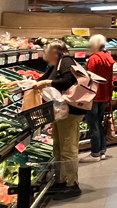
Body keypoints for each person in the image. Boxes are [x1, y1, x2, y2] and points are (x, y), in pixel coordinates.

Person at [34, 40, 85, 199]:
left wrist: (47, 82)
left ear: (55, 52)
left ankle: (72, 184)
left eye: (46, 52)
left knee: (68, 147)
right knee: (59, 145)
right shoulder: (58, 64)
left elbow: (68, 81)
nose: (45, 56)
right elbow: (42, 78)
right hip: (60, 111)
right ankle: (60, 180)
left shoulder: (67, 62)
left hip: (70, 111)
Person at [82, 34, 114, 162]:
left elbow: (88, 77)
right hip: (105, 95)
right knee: (99, 123)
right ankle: (102, 150)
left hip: (93, 95)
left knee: (93, 124)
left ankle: (95, 153)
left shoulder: (94, 59)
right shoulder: (108, 57)